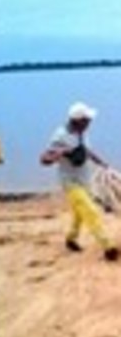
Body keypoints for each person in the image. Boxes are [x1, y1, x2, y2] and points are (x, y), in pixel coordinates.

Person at [41, 101, 119, 261]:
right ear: (78, 120)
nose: (90, 122)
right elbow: (43, 159)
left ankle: (71, 239)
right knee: (91, 211)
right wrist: (60, 153)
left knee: (79, 213)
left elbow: (87, 151)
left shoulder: (82, 134)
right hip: (70, 182)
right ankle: (108, 247)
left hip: (85, 180)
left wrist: (103, 164)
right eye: (87, 120)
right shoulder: (60, 135)